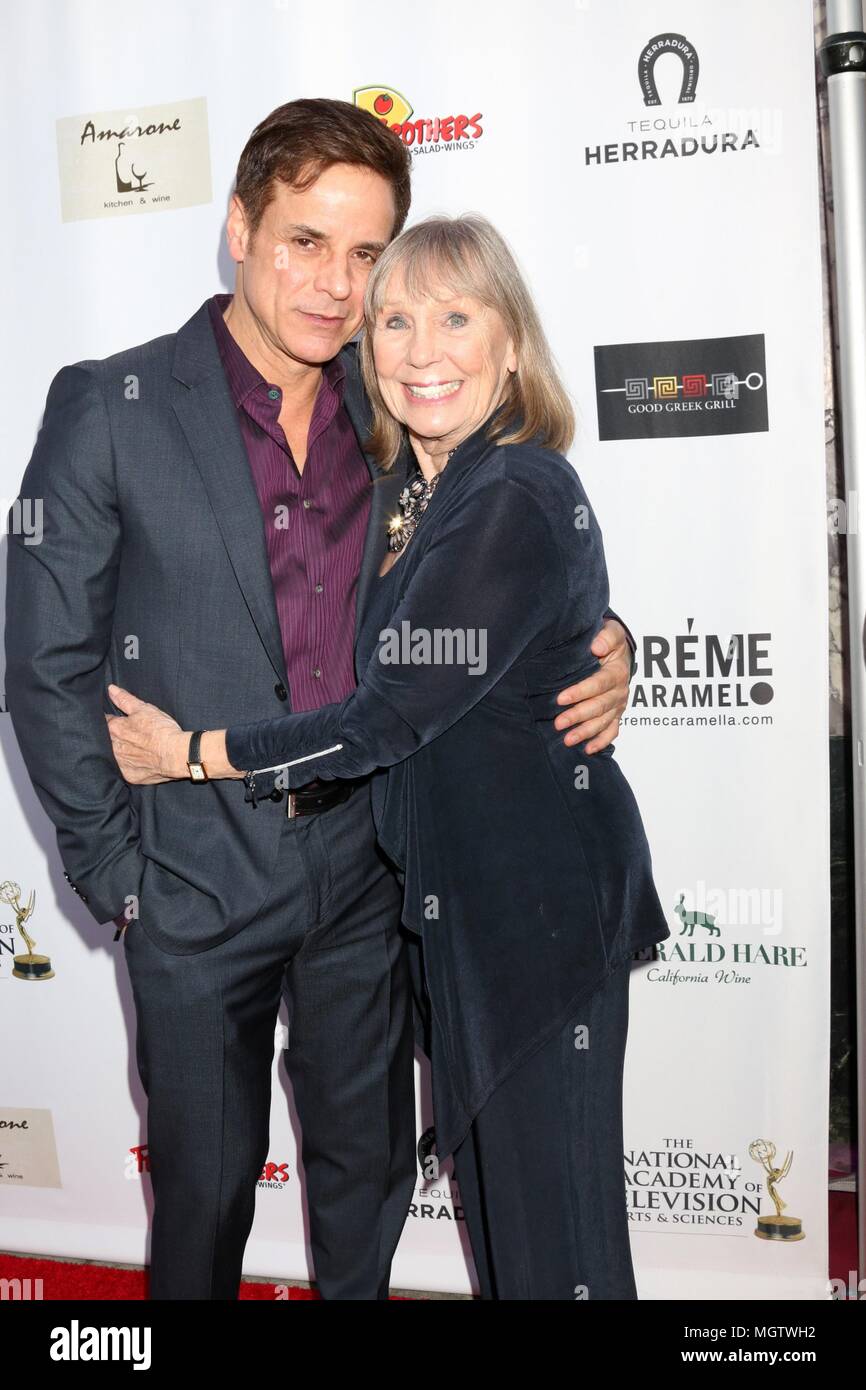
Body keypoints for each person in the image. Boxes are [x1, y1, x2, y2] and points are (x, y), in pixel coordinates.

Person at [4, 100, 637, 1301]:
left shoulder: (394, 404)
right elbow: (42, 661)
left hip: (366, 878)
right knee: (202, 1186)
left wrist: (609, 641)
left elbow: (500, 574)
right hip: (190, 883)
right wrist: (118, 876)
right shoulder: (110, 405)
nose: (337, 287)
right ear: (238, 229)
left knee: (367, 1180)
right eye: (304, 241)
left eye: (365, 256)